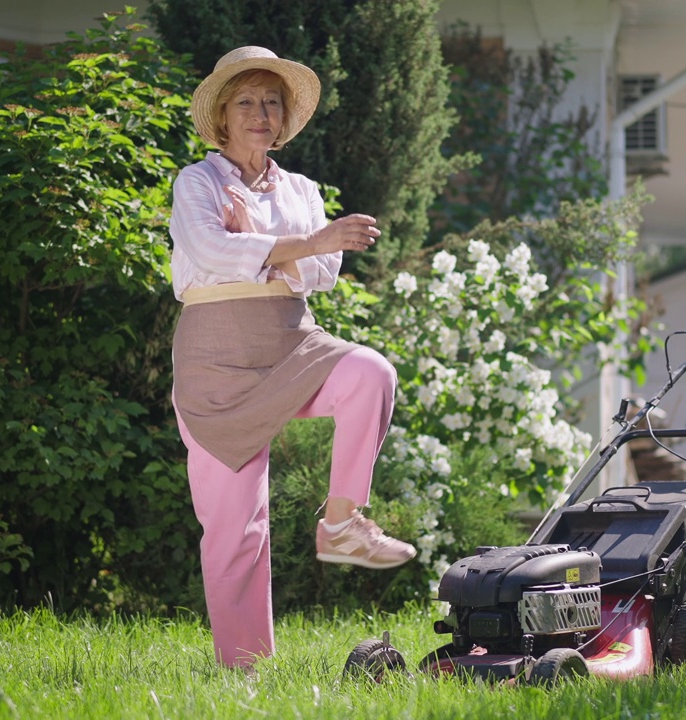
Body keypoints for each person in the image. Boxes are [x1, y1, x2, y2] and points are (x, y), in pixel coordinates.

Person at [168, 46, 417, 669]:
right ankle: (245, 672)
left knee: (370, 373)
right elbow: (208, 249)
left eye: (271, 103)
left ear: (283, 119)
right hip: (215, 356)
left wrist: (260, 241)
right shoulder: (196, 182)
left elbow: (322, 273)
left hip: (290, 339)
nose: (261, 113)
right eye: (247, 102)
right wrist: (296, 244)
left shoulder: (301, 189)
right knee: (236, 530)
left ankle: (341, 523)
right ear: (223, 116)